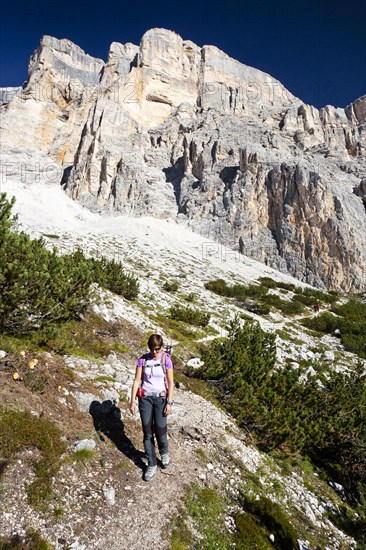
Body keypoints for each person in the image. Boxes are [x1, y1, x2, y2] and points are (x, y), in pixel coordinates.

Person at [129, 334, 174, 481]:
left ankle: (164, 451)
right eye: (152, 349)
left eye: (157, 349)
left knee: (160, 429)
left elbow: (171, 383)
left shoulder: (166, 359)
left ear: (161, 347)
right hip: (145, 399)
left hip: (161, 399)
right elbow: (136, 381)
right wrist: (132, 401)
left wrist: (169, 402)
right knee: (147, 432)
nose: (155, 352)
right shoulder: (142, 360)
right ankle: (151, 463)